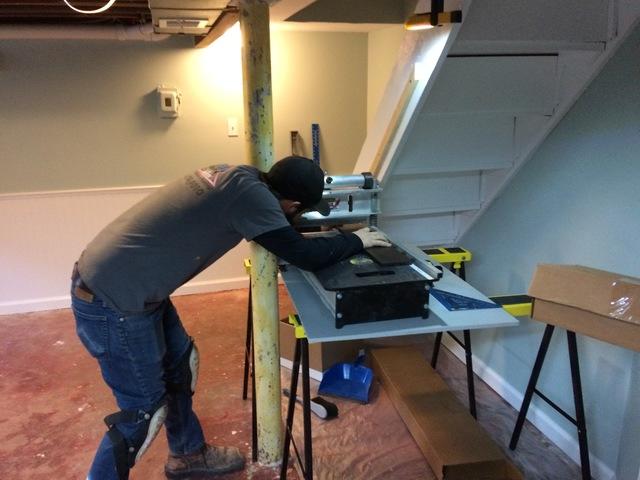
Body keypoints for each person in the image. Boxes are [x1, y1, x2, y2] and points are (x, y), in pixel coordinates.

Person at [70, 156, 390, 480]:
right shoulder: (253, 199)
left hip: (132, 286)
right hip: (113, 300)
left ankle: (187, 455)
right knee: (142, 411)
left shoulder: (241, 176)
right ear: (291, 203)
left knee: (179, 369)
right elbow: (305, 255)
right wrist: (356, 240)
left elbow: (282, 233)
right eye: (298, 210)